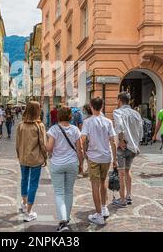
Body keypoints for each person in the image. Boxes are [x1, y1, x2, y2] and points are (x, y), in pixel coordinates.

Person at [81, 97, 117, 225]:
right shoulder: (108, 122)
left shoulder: (87, 122)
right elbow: (113, 141)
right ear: (102, 106)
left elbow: (83, 139)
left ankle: (99, 215)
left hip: (94, 157)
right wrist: (115, 158)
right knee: (103, 181)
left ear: (91, 106)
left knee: (95, 185)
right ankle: (104, 207)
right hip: (106, 157)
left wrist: (81, 153)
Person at [46, 106, 83, 232]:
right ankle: (66, 219)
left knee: (59, 192)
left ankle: (62, 222)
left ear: (58, 116)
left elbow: (49, 148)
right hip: (72, 163)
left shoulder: (53, 129)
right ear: (70, 116)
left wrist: (49, 152)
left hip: (57, 164)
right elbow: (80, 149)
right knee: (69, 191)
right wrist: (81, 164)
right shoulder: (75, 130)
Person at [16, 101, 47, 222]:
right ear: (37, 111)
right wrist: (45, 157)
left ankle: (24, 204)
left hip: (23, 157)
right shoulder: (39, 126)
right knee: (33, 184)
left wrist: (19, 155)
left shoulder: (21, 125)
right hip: (35, 158)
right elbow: (43, 144)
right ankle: (29, 212)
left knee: (24, 180)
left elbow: (17, 144)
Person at [112, 92, 143, 208]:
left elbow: (119, 126)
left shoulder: (117, 112)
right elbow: (141, 130)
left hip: (122, 146)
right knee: (128, 170)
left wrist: (120, 140)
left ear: (119, 100)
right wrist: (137, 143)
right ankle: (129, 195)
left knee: (121, 173)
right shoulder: (136, 113)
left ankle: (122, 199)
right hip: (133, 147)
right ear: (129, 101)